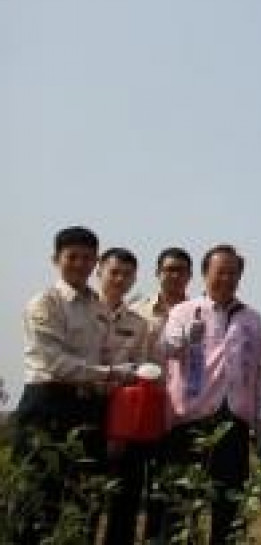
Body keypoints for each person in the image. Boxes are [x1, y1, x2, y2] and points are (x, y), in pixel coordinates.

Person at [13, 226, 137, 545]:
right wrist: (111, 372)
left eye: (87, 257)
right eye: (73, 257)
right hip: (47, 406)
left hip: (88, 409)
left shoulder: (98, 306)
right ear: (56, 259)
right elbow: (56, 364)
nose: (80, 264)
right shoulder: (46, 303)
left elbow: (106, 352)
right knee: (38, 503)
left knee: (84, 502)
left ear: (95, 262)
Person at [160, 244, 261, 545]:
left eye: (233, 273)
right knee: (182, 505)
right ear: (205, 274)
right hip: (190, 421)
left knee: (229, 505)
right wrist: (185, 337)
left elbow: (260, 371)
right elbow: (165, 350)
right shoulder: (184, 311)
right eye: (220, 272)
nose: (227, 279)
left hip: (234, 421)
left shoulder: (252, 319)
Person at [132, 246, 193, 542]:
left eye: (181, 270)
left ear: (190, 276)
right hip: (142, 409)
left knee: (173, 492)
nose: (175, 275)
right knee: (132, 489)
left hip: (180, 412)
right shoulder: (137, 311)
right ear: (157, 273)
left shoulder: (200, 313)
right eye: (169, 269)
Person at [96, 247, 153, 545]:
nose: (120, 279)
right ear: (99, 272)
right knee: (83, 497)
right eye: (114, 272)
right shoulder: (83, 312)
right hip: (82, 406)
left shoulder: (138, 323)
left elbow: (138, 373)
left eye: (127, 274)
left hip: (121, 414)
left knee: (124, 499)